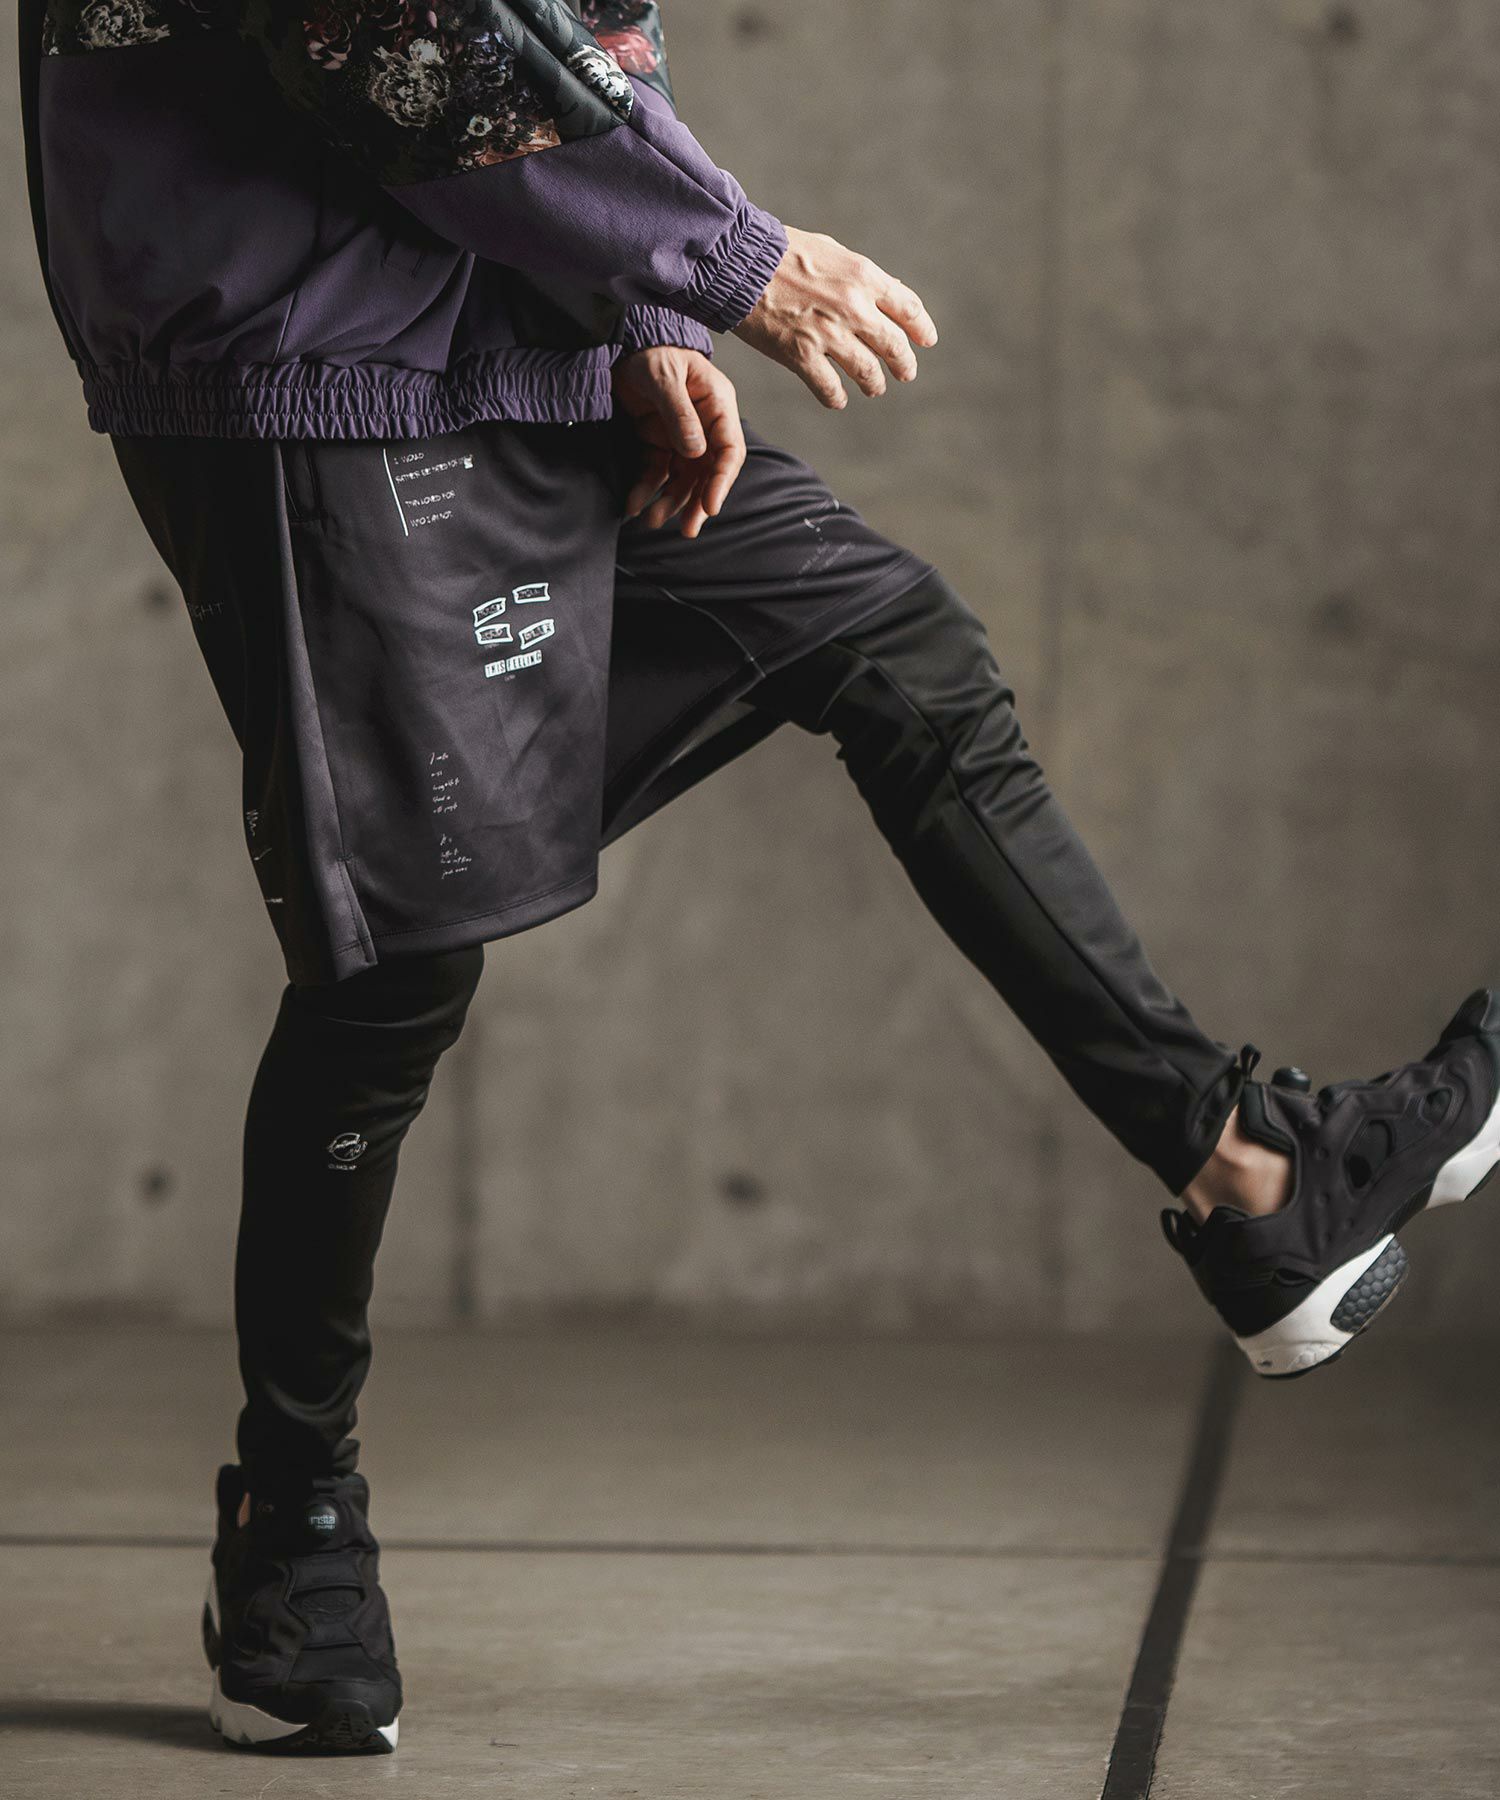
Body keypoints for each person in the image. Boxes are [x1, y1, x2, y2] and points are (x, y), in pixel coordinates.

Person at [20, 0, 1499, 1759]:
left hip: (495, 317)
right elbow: (388, 20)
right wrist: (723, 261)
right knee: (398, 957)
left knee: (892, 648)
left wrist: (632, 309)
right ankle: (296, 1520)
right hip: (310, 339)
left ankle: (1250, 1168)